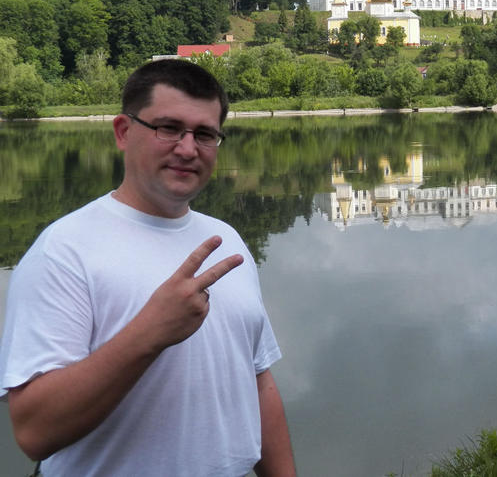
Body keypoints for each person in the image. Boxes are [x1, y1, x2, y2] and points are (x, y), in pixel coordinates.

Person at [0, 59, 296, 476]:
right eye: (168, 128)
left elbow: (259, 381)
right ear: (123, 131)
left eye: (205, 134)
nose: (188, 148)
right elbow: (34, 432)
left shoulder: (226, 240)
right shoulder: (64, 251)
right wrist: (151, 333)